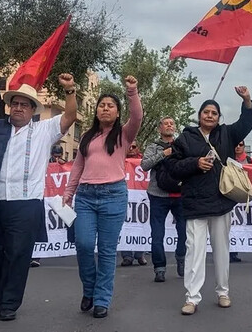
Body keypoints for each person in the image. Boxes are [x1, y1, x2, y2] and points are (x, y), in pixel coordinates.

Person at [0, 73, 77, 321]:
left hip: (26, 203)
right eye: (14, 103)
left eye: (24, 105)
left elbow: (70, 116)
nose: (18, 108)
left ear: (32, 110)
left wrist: (70, 91)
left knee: (18, 254)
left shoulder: (43, 130)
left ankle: (9, 304)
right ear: (9, 107)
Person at [164, 86, 252, 315]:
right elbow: (172, 168)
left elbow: (246, 124)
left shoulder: (227, 134)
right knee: (194, 251)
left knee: (221, 250)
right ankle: (192, 298)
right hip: (195, 203)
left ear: (219, 117)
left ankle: (223, 292)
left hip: (221, 201)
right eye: (206, 112)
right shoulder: (186, 137)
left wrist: (247, 101)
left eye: (214, 113)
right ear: (199, 115)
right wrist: (195, 164)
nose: (210, 116)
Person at [62, 76, 142, 319]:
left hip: (113, 196)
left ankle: (102, 300)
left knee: (107, 252)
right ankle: (89, 289)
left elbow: (137, 116)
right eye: (101, 105)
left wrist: (132, 91)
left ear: (117, 113)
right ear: (96, 111)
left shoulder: (124, 134)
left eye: (110, 106)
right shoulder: (87, 136)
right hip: (85, 197)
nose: (105, 108)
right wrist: (68, 193)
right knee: (84, 245)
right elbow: (77, 167)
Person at [140, 117, 186, 283]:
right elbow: (144, 165)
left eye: (172, 123)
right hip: (158, 195)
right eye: (166, 123)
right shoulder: (153, 146)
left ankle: (181, 257)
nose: (169, 125)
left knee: (185, 231)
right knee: (157, 233)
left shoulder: (181, 145)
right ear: (160, 128)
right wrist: (163, 154)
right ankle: (159, 268)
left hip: (180, 194)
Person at [121, 140, 148, 267]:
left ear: (138, 148)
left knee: (141, 225)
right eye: (129, 146)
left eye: (134, 146)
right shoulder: (118, 159)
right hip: (122, 196)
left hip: (140, 198)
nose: (131, 148)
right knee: (123, 226)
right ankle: (127, 256)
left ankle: (139, 254)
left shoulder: (144, 161)